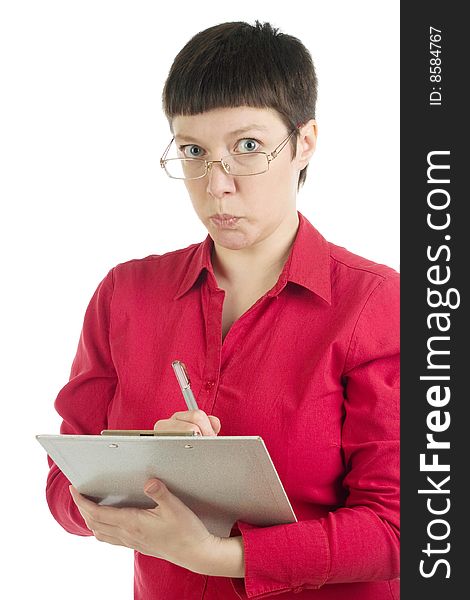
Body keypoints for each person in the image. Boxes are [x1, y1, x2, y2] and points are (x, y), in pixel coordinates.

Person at [45, 20, 400, 600]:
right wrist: (139, 468)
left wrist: (214, 556)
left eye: (249, 147)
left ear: (304, 142)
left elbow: (403, 529)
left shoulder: (378, 302)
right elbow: (64, 489)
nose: (217, 184)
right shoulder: (125, 294)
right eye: (193, 151)